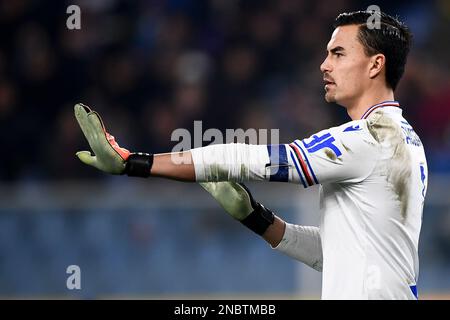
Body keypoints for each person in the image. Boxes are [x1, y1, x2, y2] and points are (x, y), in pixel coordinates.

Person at [75, 11, 427, 300]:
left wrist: (135, 162)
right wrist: (255, 218)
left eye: (338, 53)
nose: (324, 65)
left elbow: (254, 161)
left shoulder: (368, 138)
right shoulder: (406, 141)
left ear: (375, 65)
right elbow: (339, 256)